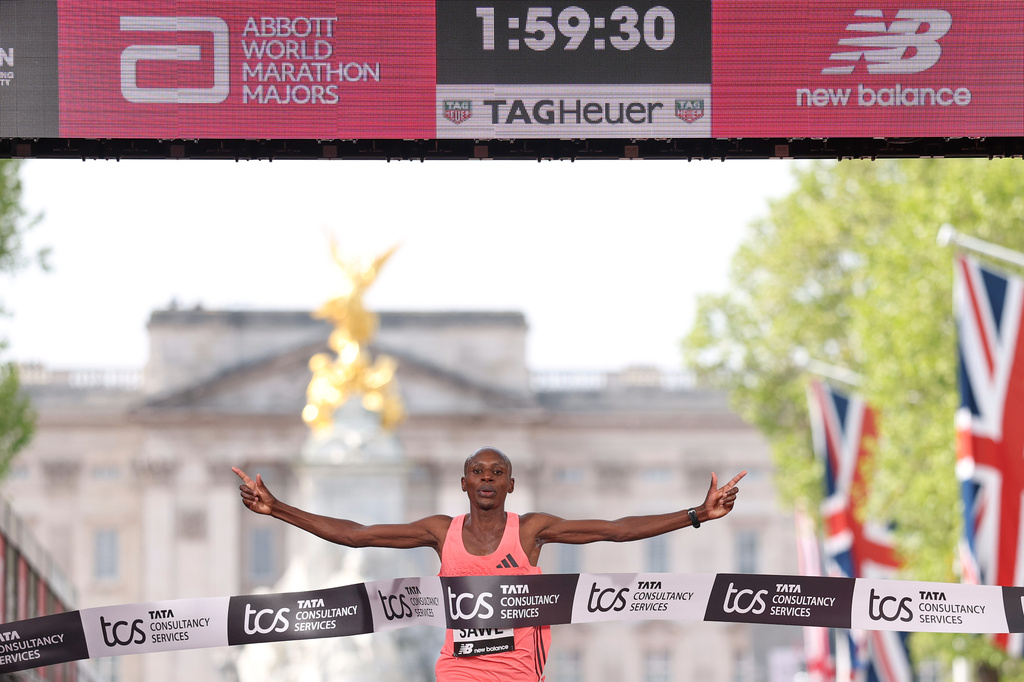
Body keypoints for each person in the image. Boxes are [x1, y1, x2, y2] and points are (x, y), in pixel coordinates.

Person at [233, 447, 745, 682]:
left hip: (519, 671)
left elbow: (614, 529)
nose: (486, 478)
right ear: (464, 483)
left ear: (510, 484)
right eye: (477, 471)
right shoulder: (441, 532)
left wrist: (696, 514)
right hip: (458, 669)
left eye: (497, 472)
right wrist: (277, 508)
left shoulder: (532, 530)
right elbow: (357, 536)